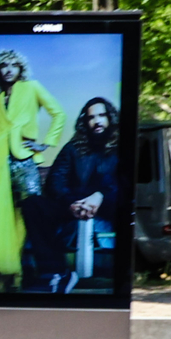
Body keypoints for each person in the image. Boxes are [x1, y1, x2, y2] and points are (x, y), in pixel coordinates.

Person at [0, 48, 62, 287]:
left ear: (20, 68)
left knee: (28, 214)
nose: (8, 70)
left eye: (13, 65)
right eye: (4, 65)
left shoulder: (32, 87)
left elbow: (57, 113)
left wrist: (45, 144)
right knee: (3, 215)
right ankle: (6, 270)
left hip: (23, 160)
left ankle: (22, 270)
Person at [40, 98, 122, 294]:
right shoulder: (73, 147)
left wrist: (100, 196)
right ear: (85, 121)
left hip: (108, 209)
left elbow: (124, 183)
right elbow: (55, 182)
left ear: (110, 117)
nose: (97, 121)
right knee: (33, 204)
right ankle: (56, 273)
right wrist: (73, 203)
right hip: (72, 207)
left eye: (102, 115)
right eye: (92, 117)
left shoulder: (122, 147)